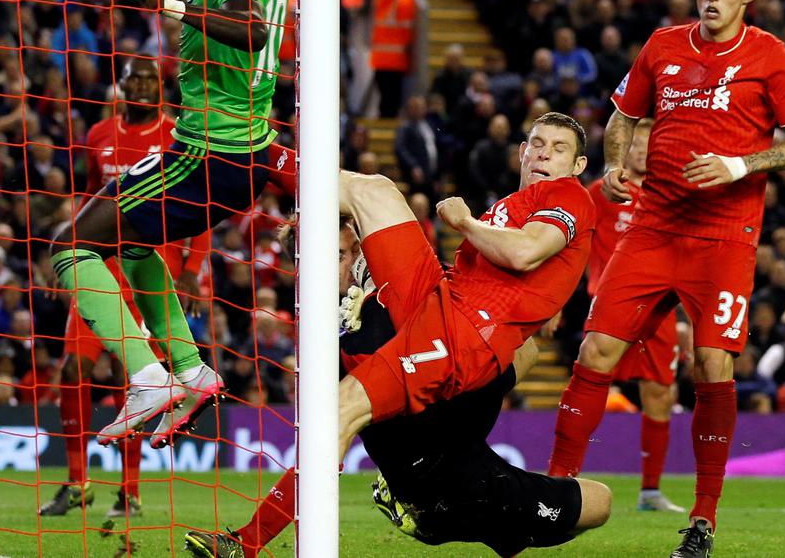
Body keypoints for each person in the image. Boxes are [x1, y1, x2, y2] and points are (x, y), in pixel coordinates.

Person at [546, 0, 785, 558]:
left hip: (724, 238)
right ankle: (554, 493)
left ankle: (702, 518)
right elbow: (621, 117)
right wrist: (615, 166)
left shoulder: (770, 55)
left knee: (711, 368)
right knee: (596, 349)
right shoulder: (663, 46)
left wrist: (739, 163)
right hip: (653, 228)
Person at [184, 218, 611, 558]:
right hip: (432, 483)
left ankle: (489, 525)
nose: (347, 262)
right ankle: (246, 542)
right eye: (326, 255)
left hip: (465, 469)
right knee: (588, 503)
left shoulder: (386, 299)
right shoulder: (333, 333)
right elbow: (322, 448)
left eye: (348, 252)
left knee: (588, 503)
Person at [50, 0, 297, 448]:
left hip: (213, 153)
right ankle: (189, 371)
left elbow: (255, 32)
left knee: (70, 247)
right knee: (130, 244)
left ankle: (146, 377)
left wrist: (168, 5)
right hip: (243, 153)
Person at [335, 111, 595, 461]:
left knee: (342, 408)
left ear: (578, 165)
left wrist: (465, 222)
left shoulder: (569, 195)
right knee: (371, 189)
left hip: (466, 334)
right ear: (522, 151)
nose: (544, 153)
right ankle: (265, 161)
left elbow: (525, 252)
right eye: (537, 143)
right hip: (442, 295)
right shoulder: (515, 204)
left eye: (559, 148)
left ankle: (427, 467)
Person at [39, 58, 209, 518]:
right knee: (72, 369)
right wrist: (68, 257)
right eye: (134, 78)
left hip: (148, 265)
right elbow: (92, 197)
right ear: (122, 84)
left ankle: (129, 492)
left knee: (128, 375)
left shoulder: (178, 134)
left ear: (161, 86)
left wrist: (193, 267)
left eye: (150, 79)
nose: (141, 85)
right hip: (100, 263)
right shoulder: (97, 134)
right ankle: (77, 484)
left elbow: (201, 202)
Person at [581, 117, 686, 513]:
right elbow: (575, 242)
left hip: (659, 310)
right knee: (589, 382)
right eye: (636, 144)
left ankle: (650, 492)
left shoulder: (668, 198)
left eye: (649, 145)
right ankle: (563, 475)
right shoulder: (603, 193)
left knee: (660, 393)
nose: (641, 151)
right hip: (612, 305)